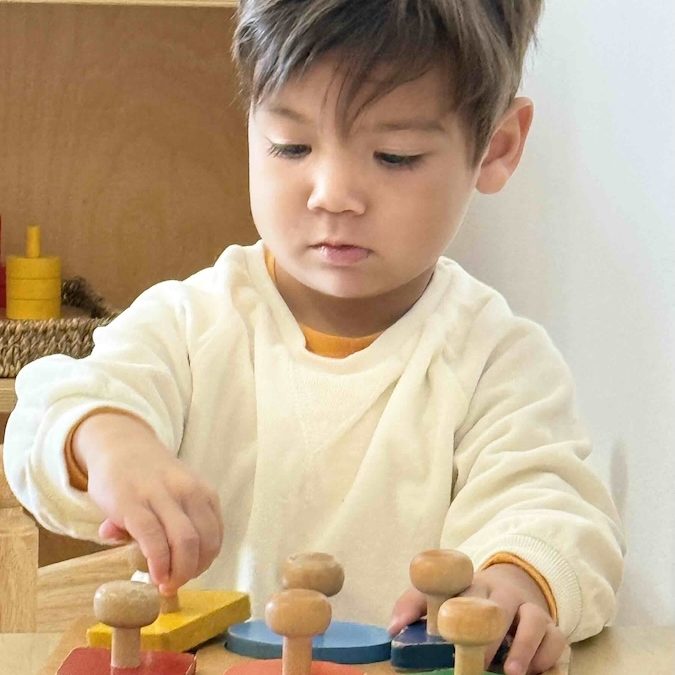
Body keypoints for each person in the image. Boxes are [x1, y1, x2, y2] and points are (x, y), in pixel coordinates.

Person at [3, 2, 624, 674]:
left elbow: (552, 506)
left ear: (496, 147)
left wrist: (518, 577)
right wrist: (106, 438)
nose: (332, 193)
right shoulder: (191, 324)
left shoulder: (495, 359)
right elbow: (52, 410)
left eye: (395, 156)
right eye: (290, 146)